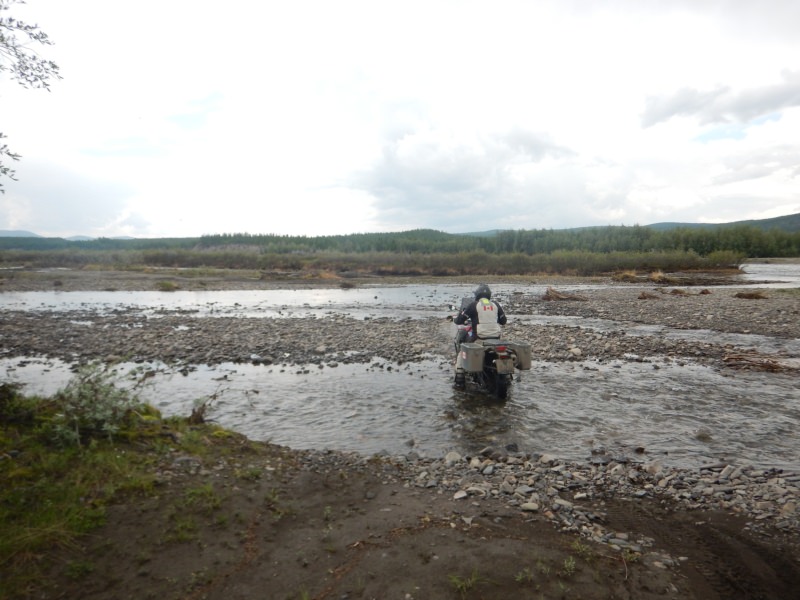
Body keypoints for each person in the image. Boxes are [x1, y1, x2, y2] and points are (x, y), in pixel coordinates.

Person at [454, 283, 507, 386]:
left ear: (477, 294)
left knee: (462, 349)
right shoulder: (495, 304)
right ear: (489, 295)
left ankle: (460, 375)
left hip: (479, 338)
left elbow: (460, 320)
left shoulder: (474, 305)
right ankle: (507, 376)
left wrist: (456, 319)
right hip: (496, 338)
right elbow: (503, 321)